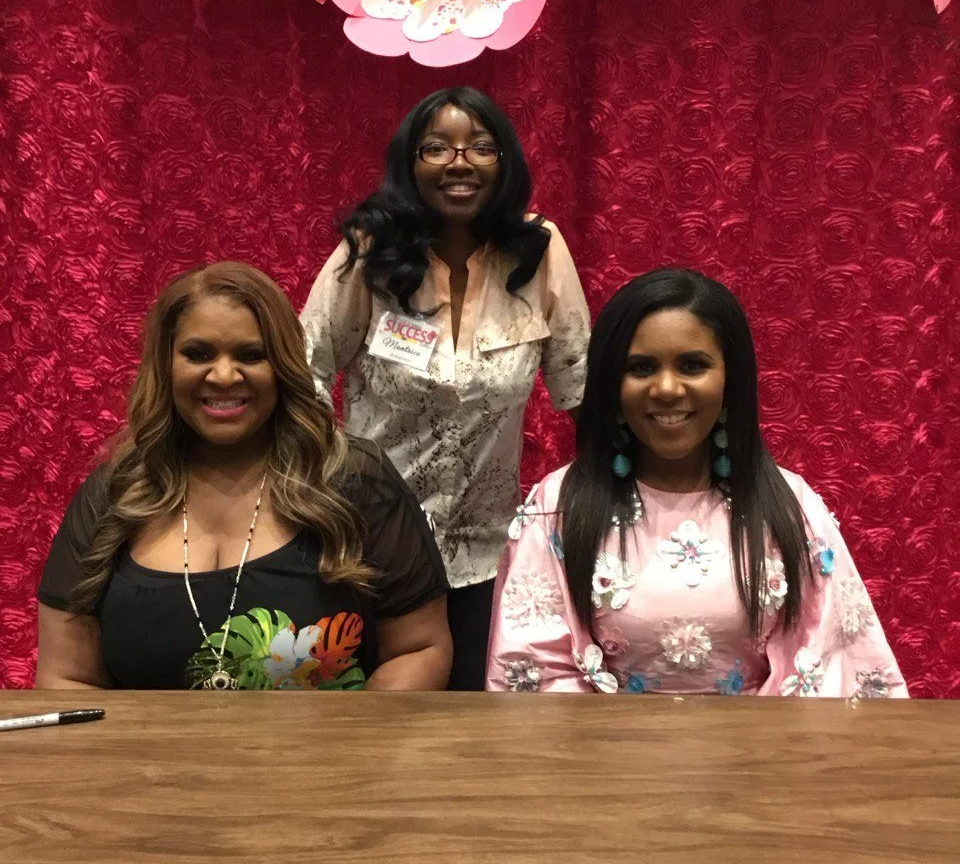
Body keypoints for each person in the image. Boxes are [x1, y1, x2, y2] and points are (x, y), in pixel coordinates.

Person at [486, 269, 907, 698]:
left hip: (765, 757)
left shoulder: (792, 507)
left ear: (730, 379)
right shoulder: (557, 507)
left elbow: (834, 670)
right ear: (612, 383)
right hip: (600, 758)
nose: (667, 389)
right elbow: (534, 675)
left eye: (693, 365)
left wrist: (745, 756)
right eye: (641, 367)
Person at [36, 263, 452, 691]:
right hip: (148, 759)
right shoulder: (115, 493)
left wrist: (355, 754)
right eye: (198, 354)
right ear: (166, 363)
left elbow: (418, 649)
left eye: (251, 355)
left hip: (324, 757)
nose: (223, 375)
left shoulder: (356, 481)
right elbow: (67, 675)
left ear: (285, 365)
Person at [301, 87, 590, 690]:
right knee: (359, 731)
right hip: (363, 552)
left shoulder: (538, 251)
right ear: (410, 164)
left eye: (481, 148)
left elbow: (581, 388)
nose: (460, 163)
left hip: (487, 558)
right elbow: (303, 369)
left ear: (505, 163)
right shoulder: (369, 251)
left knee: (470, 739)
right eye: (437, 148)